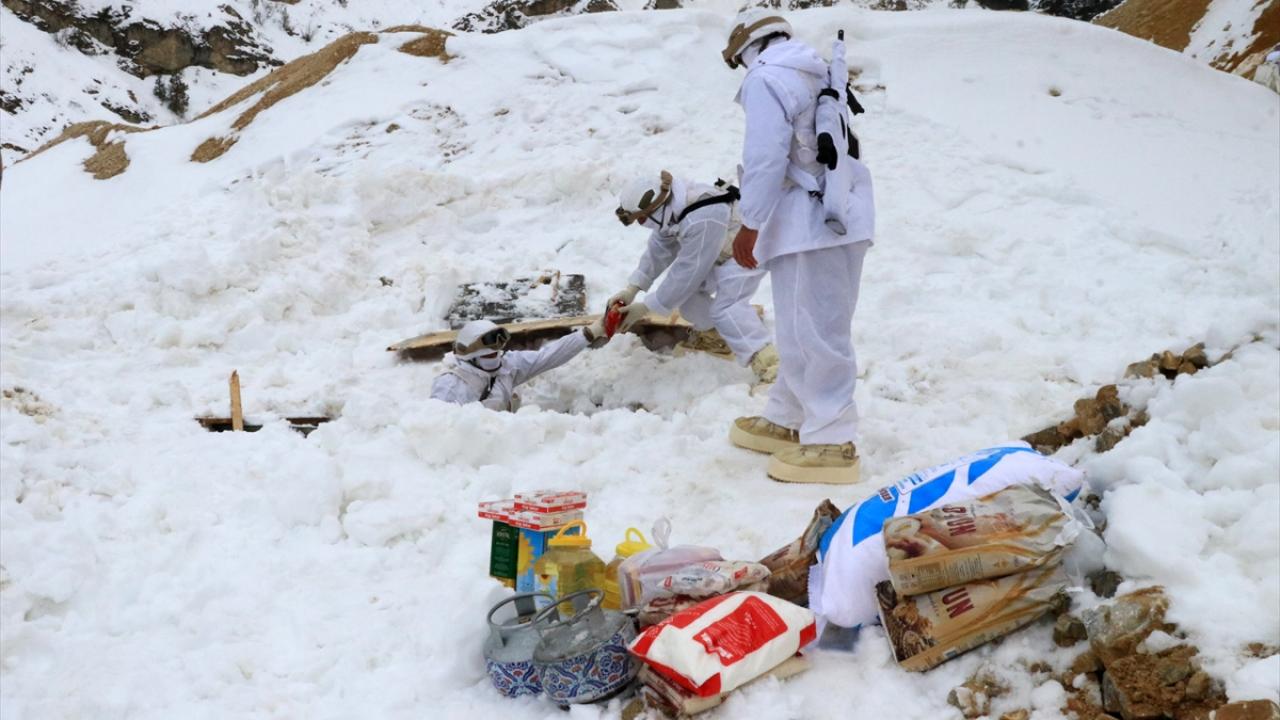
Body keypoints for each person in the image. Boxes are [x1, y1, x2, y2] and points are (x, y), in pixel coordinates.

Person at [721, 10, 876, 485]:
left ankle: (832, 438)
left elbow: (765, 157)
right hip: (820, 217)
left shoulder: (767, 78)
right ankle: (789, 416)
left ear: (746, 50)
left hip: (814, 220)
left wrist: (750, 223)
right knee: (795, 326)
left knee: (818, 329)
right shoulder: (814, 70)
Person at [609, 170, 779, 382]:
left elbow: (688, 272)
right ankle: (718, 336)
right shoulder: (671, 208)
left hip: (748, 250)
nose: (641, 223)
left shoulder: (703, 217)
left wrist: (645, 308)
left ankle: (770, 363)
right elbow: (660, 248)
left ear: (656, 207)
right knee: (689, 300)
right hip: (719, 250)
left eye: (642, 218)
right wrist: (632, 289)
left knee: (727, 308)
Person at [431, 317, 607, 411]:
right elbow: (436, 431)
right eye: (489, 355)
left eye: (496, 353)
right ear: (470, 357)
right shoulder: (450, 386)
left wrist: (590, 333)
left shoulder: (507, 366)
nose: (495, 359)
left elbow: (549, 355)